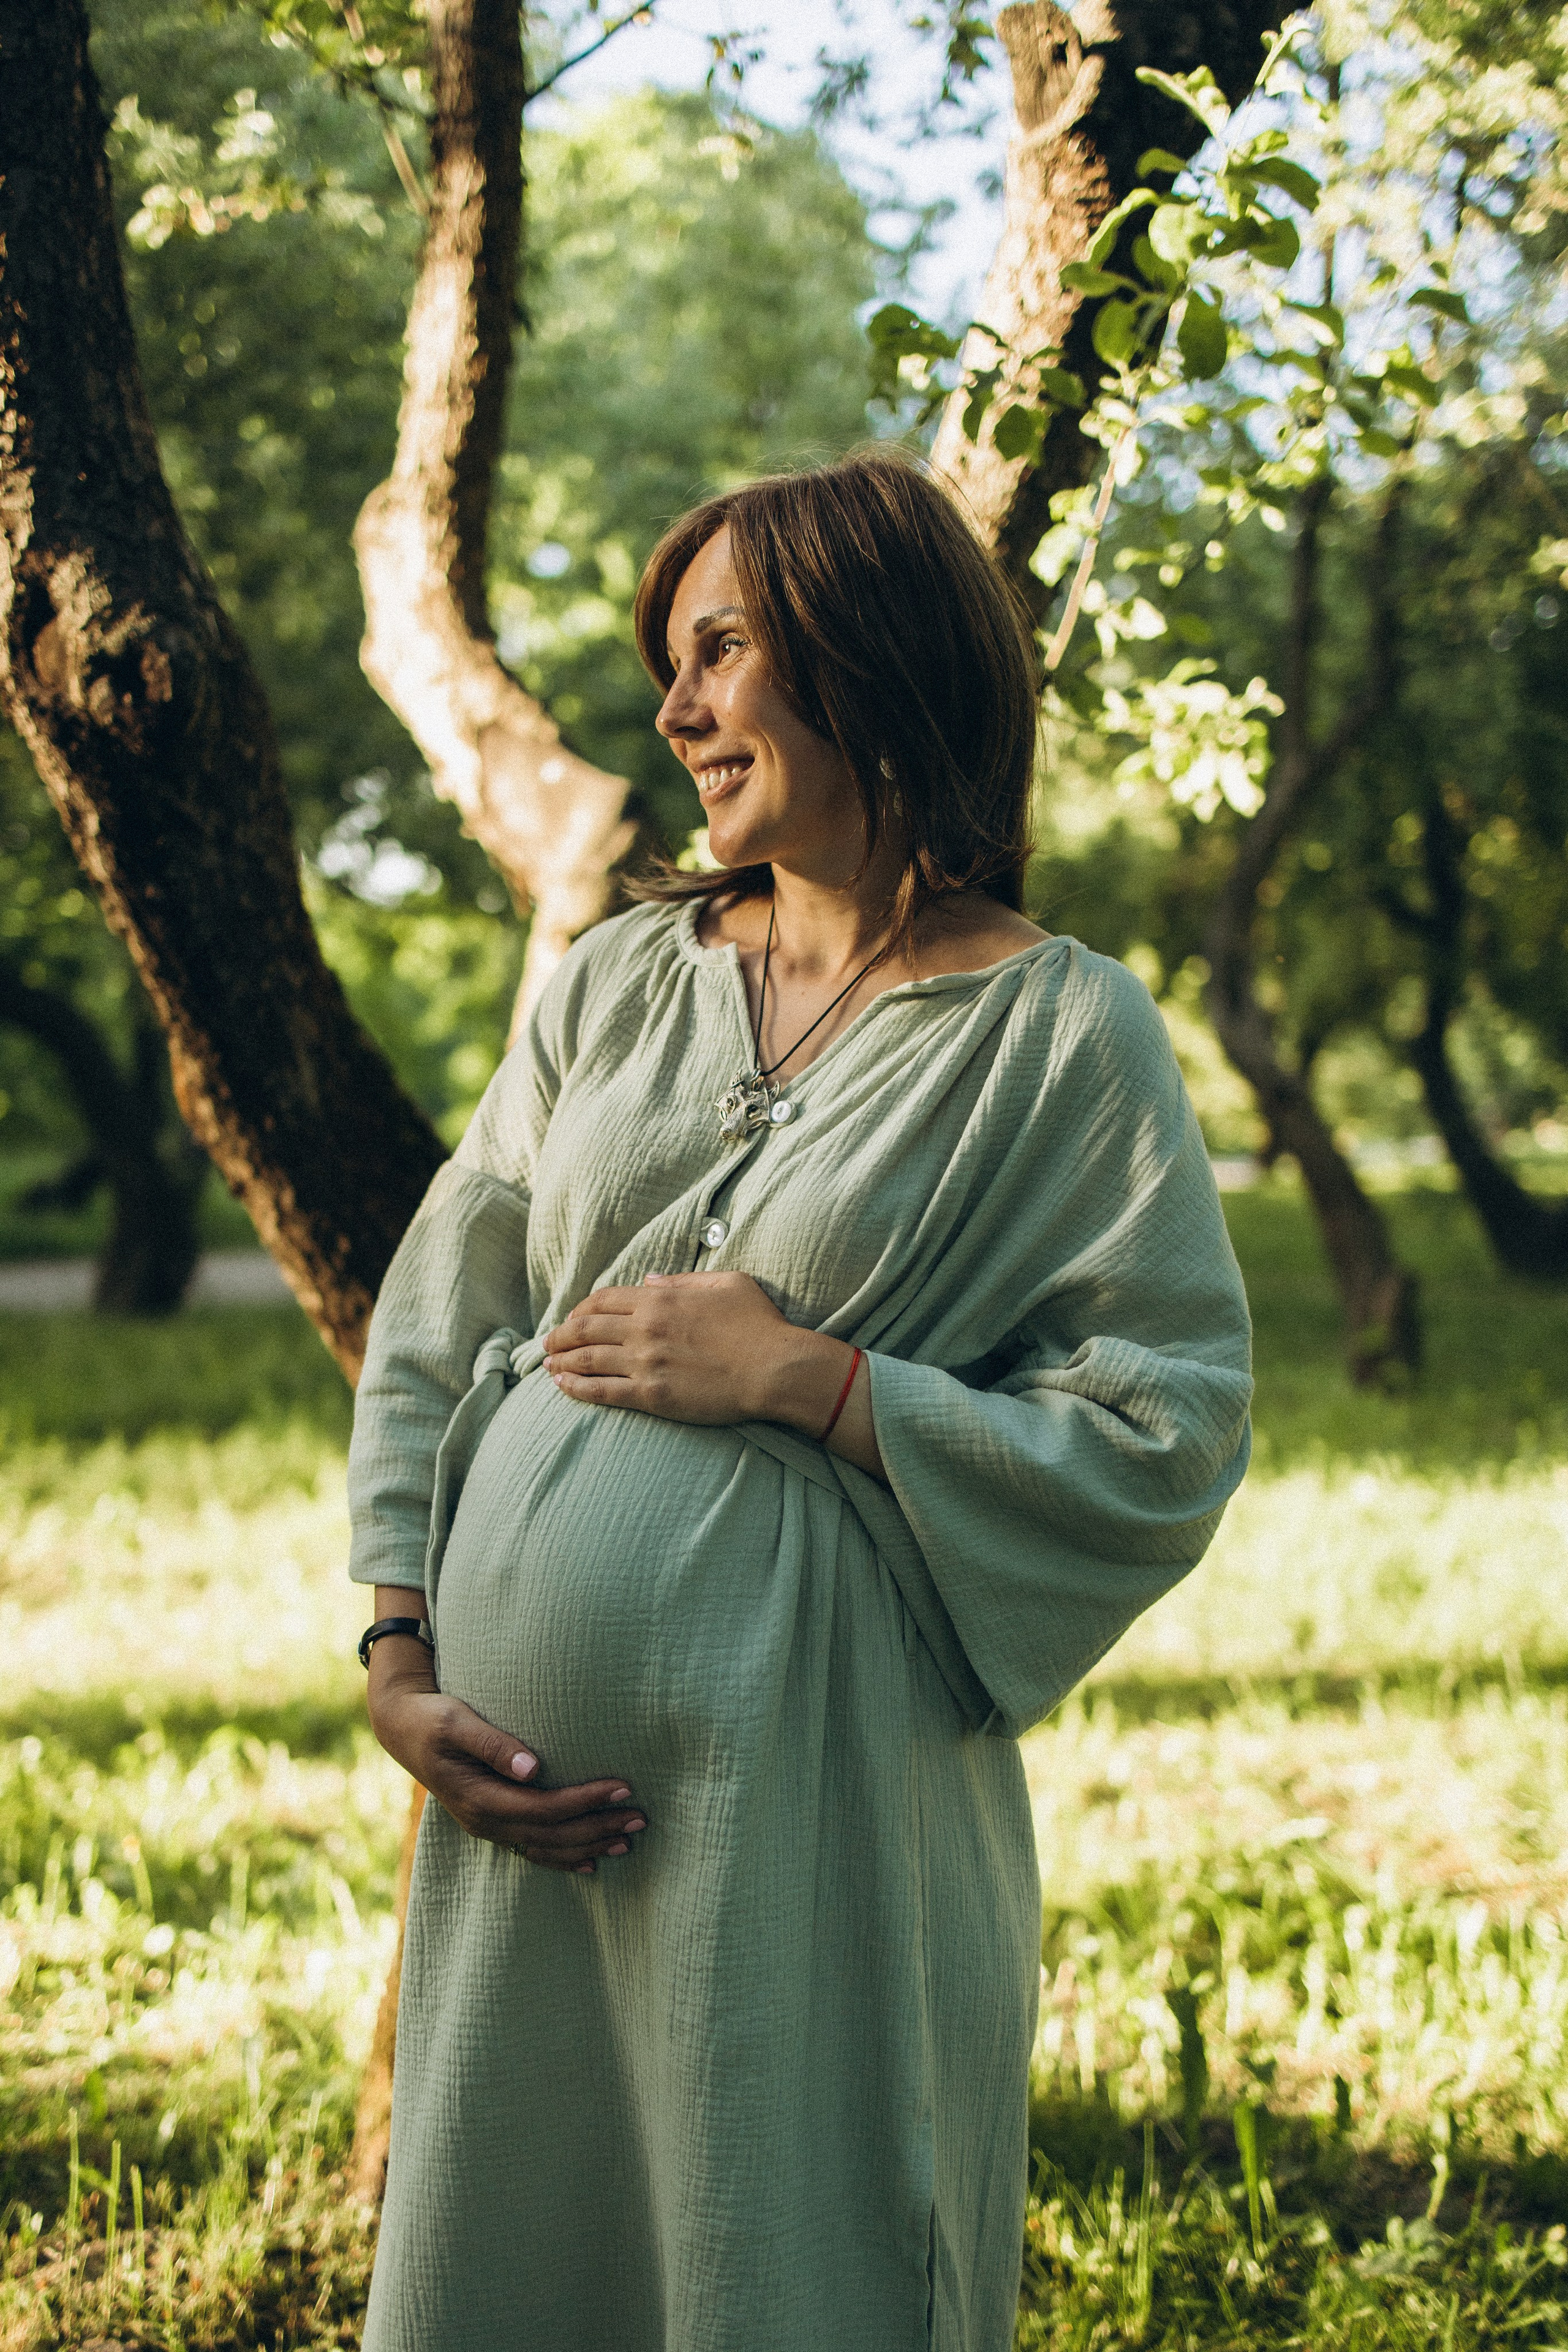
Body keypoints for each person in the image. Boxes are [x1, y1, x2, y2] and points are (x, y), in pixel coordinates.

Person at [347, 447, 1253, 2352]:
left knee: (796, 2259)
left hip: (813, 1808)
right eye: (673, 661)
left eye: (726, 649)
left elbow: (1169, 1426)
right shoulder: (615, 986)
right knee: (519, 2266)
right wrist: (400, 1650)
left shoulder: (1062, 1032)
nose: (676, 710)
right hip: (528, 1830)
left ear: (872, 651)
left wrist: (822, 1384)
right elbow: (447, 1302)